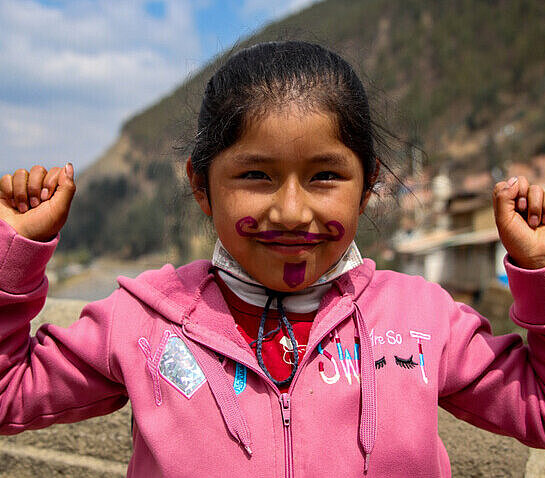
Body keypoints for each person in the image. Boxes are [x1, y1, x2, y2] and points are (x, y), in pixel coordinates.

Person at [1, 41, 544, 478]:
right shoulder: (146, 323)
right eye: (255, 175)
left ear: (368, 183)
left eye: (325, 175)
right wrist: (13, 253)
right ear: (201, 184)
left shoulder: (422, 323)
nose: (290, 210)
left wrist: (539, 273)